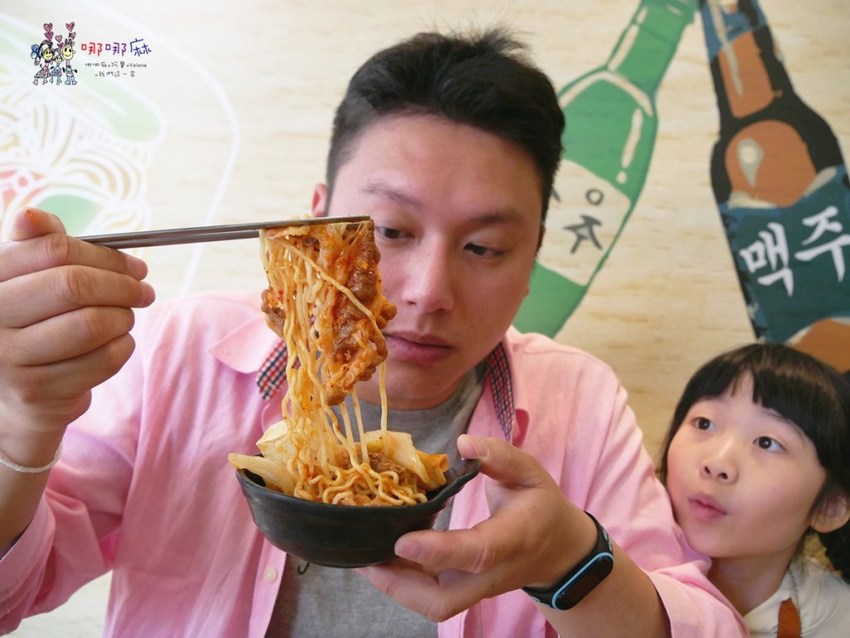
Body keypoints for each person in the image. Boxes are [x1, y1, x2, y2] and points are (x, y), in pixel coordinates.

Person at [0, 28, 745, 637]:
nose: (428, 292)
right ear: (316, 220)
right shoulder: (180, 352)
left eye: (484, 247)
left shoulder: (578, 401)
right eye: (389, 230)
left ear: (534, 259)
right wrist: (21, 425)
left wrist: (570, 561)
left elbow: (706, 625)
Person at [659, 343, 850, 637]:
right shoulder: (606, 570)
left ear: (830, 507)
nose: (717, 463)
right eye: (704, 423)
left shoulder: (838, 620)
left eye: (767, 443)